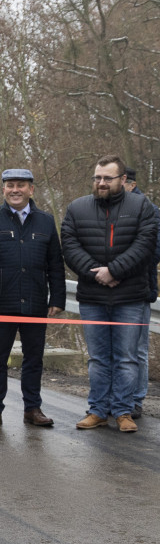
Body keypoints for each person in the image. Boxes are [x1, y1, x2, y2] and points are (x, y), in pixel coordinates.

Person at [61, 154, 158, 433]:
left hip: (131, 297)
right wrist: (97, 273)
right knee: (98, 358)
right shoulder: (77, 208)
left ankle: (123, 411)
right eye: (97, 177)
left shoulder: (141, 206)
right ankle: (98, 410)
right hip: (93, 298)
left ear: (123, 179)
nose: (101, 183)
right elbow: (69, 245)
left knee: (127, 358)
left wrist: (114, 271)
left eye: (107, 178)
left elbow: (145, 245)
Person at [0, 169, 64, 430]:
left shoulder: (46, 221)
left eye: (21, 185)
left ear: (31, 189)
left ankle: (32, 408)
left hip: (36, 302)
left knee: (34, 357)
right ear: (3, 189)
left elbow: (55, 264)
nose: (15, 190)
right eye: (10, 185)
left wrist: (57, 297)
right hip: (1, 302)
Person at [122, 168, 159, 419]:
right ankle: (116, 399)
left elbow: (154, 252)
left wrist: (120, 267)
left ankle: (136, 399)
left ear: (130, 184)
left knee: (137, 350)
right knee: (115, 352)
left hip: (140, 290)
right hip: (110, 293)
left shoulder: (151, 211)